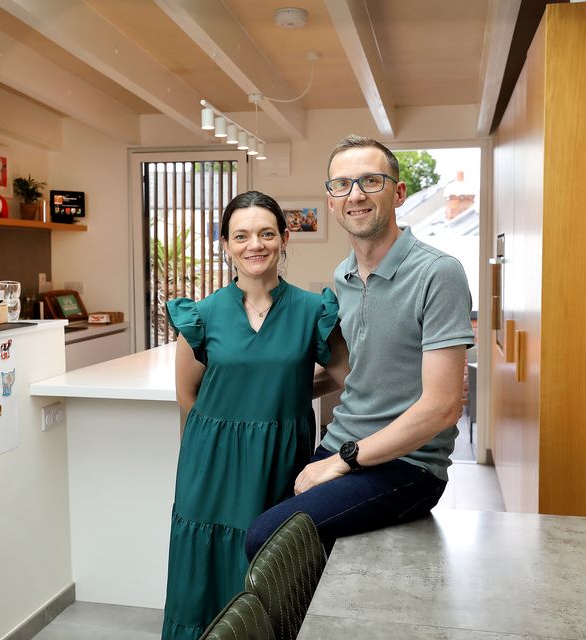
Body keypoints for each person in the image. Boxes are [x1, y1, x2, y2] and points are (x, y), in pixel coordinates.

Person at [245, 134, 475, 557]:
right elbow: (356, 374)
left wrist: (340, 461)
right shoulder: (342, 277)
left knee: (267, 538)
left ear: (399, 192)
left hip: (408, 464)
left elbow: (442, 406)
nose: (356, 195)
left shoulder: (439, 273)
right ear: (331, 202)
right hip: (344, 442)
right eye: (342, 185)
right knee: (253, 510)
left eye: (371, 181)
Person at [161, 191, 348, 640]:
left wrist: (287, 398)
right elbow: (188, 394)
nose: (255, 245)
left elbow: (346, 378)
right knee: (205, 570)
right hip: (212, 461)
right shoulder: (200, 315)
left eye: (266, 233)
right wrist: (215, 446)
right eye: (241, 235)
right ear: (225, 244)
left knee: (268, 564)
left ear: (284, 239)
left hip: (280, 460)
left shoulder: (313, 310)